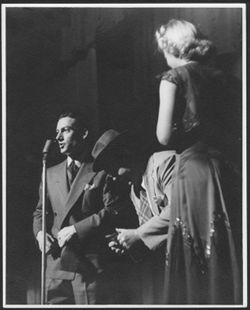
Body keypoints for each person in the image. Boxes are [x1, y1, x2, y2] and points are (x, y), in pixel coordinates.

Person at [112, 19, 242, 304]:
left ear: (170, 47)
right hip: (228, 168)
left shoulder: (173, 78)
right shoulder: (225, 78)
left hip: (194, 169)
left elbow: (163, 137)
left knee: (195, 248)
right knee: (227, 244)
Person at [32, 111, 139, 304]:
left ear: (83, 134)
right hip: (55, 263)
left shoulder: (102, 168)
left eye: (65, 130)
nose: (58, 137)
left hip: (88, 264)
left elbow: (113, 210)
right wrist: (40, 233)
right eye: (57, 131)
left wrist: (76, 229)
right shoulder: (49, 173)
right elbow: (40, 212)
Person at [91, 128, 168, 304]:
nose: (110, 176)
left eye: (111, 167)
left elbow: (177, 211)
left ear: (125, 154)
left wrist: (137, 235)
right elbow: (154, 237)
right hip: (164, 270)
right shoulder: (134, 191)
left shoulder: (163, 163)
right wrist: (129, 244)